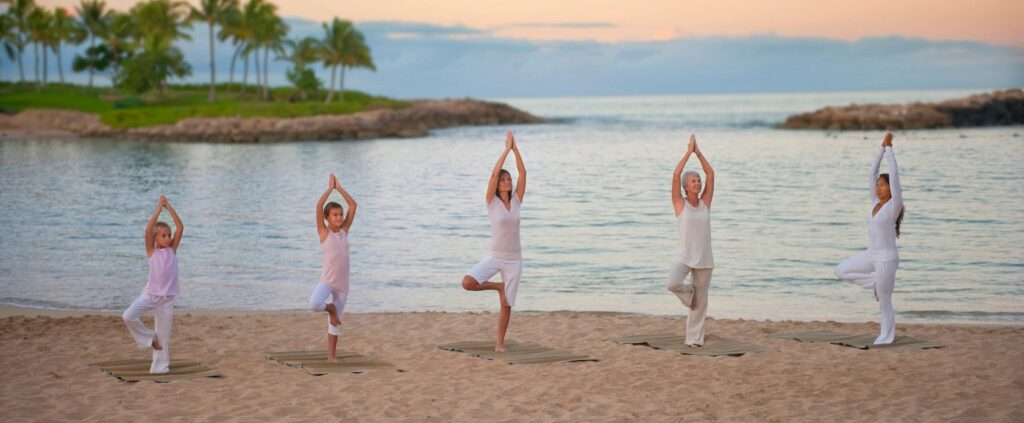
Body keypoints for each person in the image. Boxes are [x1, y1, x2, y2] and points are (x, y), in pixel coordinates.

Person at [835, 132, 904, 345]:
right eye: (878, 185)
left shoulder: (894, 206)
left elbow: (894, 174)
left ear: (890, 189)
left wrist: (891, 150)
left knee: (884, 301)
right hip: (871, 255)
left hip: (886, 259)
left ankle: (886, 336)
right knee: (841, 270)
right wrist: (880, 149)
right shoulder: (875, 202)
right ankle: (874, 285)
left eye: (883, 185)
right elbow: (871, 174)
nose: (878, 187)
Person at [461, 131, 526, 352]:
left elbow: (523, 172)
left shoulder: (517, 200)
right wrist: (505, 150)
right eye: (503, 180)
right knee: (468, 282)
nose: (507, 182)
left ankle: (499, 344)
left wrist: (516, 149)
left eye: (509, 179)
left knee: (506, 305)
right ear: (498, 185)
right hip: (495, 256)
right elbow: (492, 174)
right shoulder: (491, 202)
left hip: (514, 260)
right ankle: (498, 286)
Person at [122, 195, 184, 374]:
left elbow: (180, 227)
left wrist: (169, 208)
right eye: (163, 236)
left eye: (168, 235)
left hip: (167, 299)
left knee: (164, 336)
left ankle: (160, 367)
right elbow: (148, 229)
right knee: (128, 316)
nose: (167, 238)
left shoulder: (172, 250)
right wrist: (158, 209)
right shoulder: (152, 251)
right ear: (155, 238)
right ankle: (149, 339)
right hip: (150, 294)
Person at [666, 135, 715, 347]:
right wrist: (688, 153)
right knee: (672, 283)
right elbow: (676, 175)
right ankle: (689, 295)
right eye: (694, 181)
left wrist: (699, 152)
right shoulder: (680, 203)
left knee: (700, 304)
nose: (698, 182)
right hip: (684, 255)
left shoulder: (705, 202)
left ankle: (694, 340)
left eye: (698, 180)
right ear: (686, 186)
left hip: (703, 257)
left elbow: (711, 174)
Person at [310, 173, 358, 362]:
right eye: (335, 215)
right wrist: (329, 189)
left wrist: (340, 188)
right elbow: (318, 206)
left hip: (343, 284)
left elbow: (353, 205)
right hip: (328, 282)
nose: (339, 218)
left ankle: (331, 356)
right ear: (327, 218)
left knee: (336, 324)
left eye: (340, 215)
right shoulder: (324, 232)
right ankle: (330, 309)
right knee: (314, 304)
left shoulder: (344, 231)